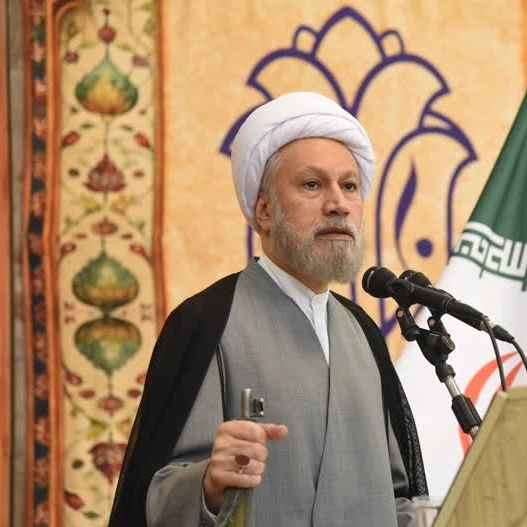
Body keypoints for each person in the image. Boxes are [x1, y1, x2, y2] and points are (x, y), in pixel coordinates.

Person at [108, 92, 426, 527]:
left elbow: (399, 496)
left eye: (349, 186)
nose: (338, 203)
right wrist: (209, 484)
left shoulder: (364, 334)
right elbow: (158, 499)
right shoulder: (207, 323)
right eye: (312, 185)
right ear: (264, 211)